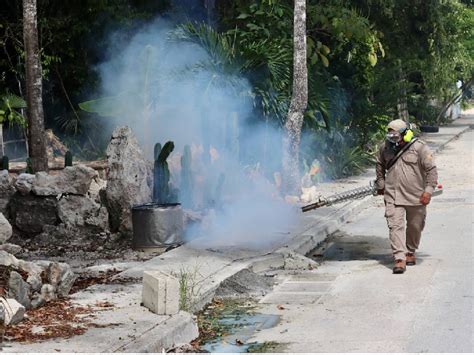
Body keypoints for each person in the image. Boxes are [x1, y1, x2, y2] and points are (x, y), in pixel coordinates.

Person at [375, 119, 438, 274]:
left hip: (416, 196)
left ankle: (410, 251)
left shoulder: (420, 148)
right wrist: (381, 183)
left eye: (396, 137)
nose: (393, 140)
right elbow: (379, 164)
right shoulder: (385, 148)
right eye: (391, 136)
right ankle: (399, 258)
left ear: (406, 134)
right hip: (393, 195)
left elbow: (431, 171)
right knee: (395, 226)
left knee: (415, 226)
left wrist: (428, 191)